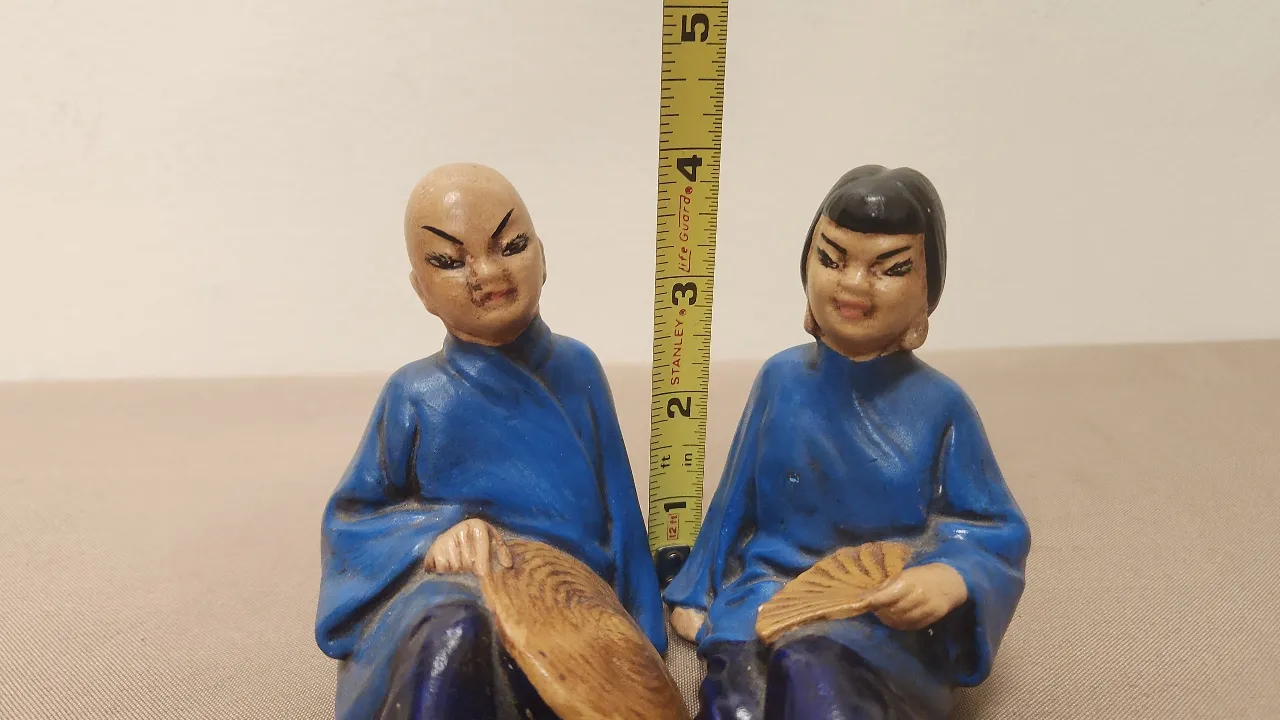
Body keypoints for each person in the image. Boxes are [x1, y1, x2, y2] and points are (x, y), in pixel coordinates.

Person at [663, 165, 1031, 719]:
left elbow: (992, 529)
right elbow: (734, 501)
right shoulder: (780, 379)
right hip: (763, 591)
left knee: (811, 673)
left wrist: (949, 576)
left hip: (877, 612)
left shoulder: (941, 406)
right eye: (832, 259)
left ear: (927, 288)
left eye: (891, 268)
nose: (854, 285)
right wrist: (696, 591)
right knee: (734, 706)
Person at [315, 163, 667, 720]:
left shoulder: (578, 368)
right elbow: (352, 521)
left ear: (543, 256)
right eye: (449, 261)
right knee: (454, 634)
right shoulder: (414, 392)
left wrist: (644, 636)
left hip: (569, 600)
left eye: (512, 246)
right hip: (459, 591)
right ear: (420, 289)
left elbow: (620, 510)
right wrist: (435, 534)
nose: (487, 272)